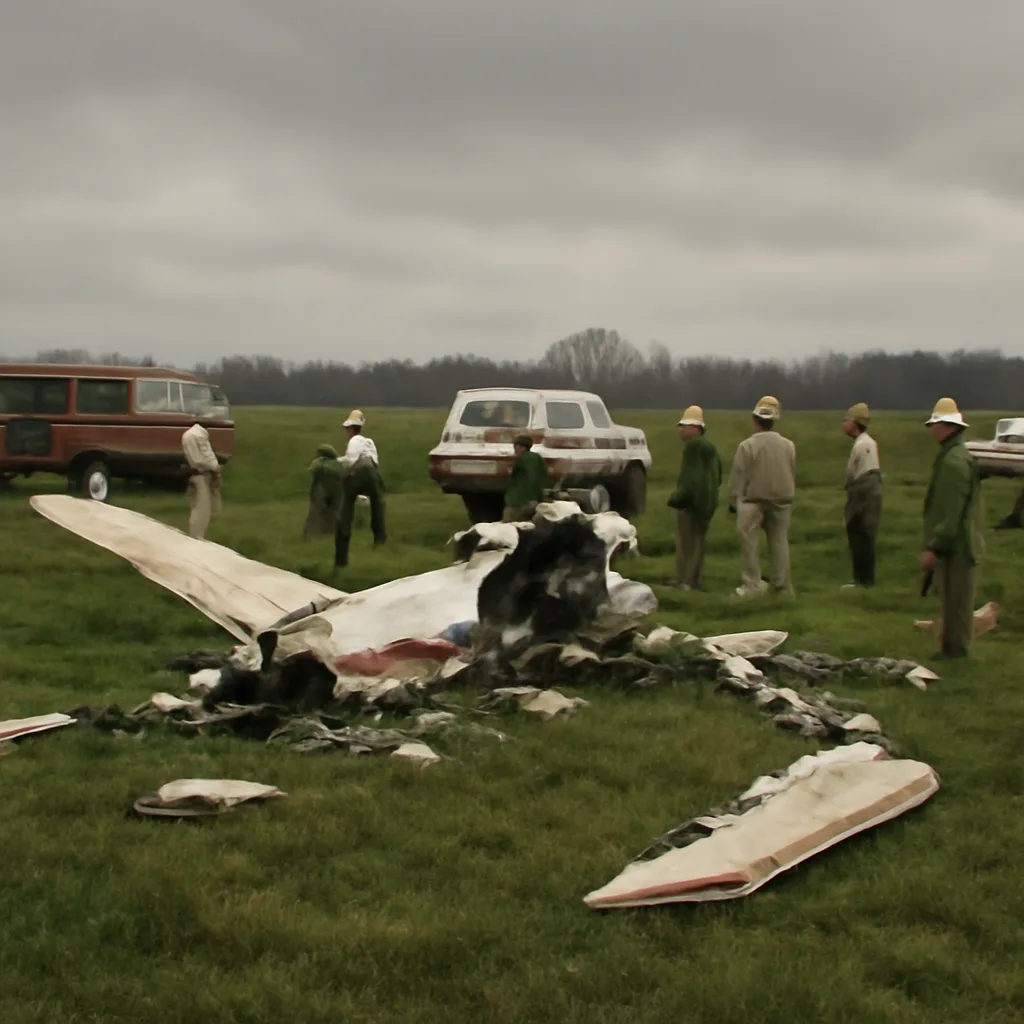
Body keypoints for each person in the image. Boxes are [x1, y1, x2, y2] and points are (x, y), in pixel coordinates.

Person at [921, 397, 985, 659]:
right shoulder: (954, 455)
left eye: (934, 425)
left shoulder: (953, 462)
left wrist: (935, 546)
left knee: (957, 601)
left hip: (958, 545)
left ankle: (956, 652)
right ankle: (949, 648)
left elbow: (951, 511)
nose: (931, 430)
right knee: (950, 597)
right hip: (957, 542)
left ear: (947, 427)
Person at [728, 395, 796, 597]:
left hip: (752, 501)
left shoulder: (747, 445)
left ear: (754, 419)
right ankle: (782, 585)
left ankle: (752, 585)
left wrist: (733, 501)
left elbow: (738, 476)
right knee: (779, 542)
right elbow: (791, 470)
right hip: (782, 499)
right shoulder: (789, 445)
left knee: (749, 544)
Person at [666, 405, 722, 590]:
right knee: (699, 543)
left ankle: (683, 581)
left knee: (685, 544)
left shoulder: (693, 447)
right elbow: (718, 475)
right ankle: (694, 580)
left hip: (691, 504)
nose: (680, 430)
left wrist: (677, 498)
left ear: (696, 429)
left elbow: (691, 479)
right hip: (708, 503)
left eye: (685, 425)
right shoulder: (711, 447)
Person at [333, 410, 387, 570]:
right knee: (378, 506)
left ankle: (342, 546)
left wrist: (336, 463)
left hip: (359, 474)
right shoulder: (369, 442)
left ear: (350, 429)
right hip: (373, 474)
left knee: (346, 509)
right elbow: (375, 461)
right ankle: (380, 539)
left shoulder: (354, 441)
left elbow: (350, 460)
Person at [841, 402, 883, 588]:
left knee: (859, 534)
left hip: (863, 492)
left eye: (847, 420)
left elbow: (855, 473)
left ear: (855, 423)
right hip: (867, 491)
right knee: (864, 535)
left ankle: (862, 581)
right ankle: (864, 580)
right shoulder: (868, 443)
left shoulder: (863, 445)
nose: (843, 424)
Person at [181, 421, 222, 540]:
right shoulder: (199, 435)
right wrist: (216, 468)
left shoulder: (188, 436)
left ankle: (195, 535)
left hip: (194, 475)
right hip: (201, 475)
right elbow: (206, 456)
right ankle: (197, 537)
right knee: (202, 507)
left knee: (197, 507)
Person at [302, 443, 344, 539]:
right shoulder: (338, 464)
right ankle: (330, 532)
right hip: (336, 491)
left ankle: (309, 534)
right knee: (333, 512)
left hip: (321, 490)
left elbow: (312, 472)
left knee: (315, 512)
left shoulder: (318, 463)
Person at [503, 433, 548, 521]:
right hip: (535, 502)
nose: (515, 449)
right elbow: (543, 477)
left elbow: (516, 478)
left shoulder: (521, 460)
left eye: (516, 446)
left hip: (517, 503)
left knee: (509, 528)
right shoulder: (538, 458)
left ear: (522, 447)